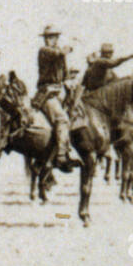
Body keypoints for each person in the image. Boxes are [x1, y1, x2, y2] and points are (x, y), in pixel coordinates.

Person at [34, 25, 77, 170]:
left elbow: (64, 74)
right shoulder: (45, 51)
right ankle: (61, 157)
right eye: (48, 38)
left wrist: (68, 82)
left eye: (53, 37)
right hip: (47, 93)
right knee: (61, 119)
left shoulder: (59, 55)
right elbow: (59, 53)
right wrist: (70, 47)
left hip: (60, 92)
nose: (50, 40)